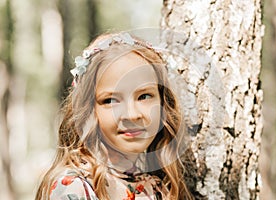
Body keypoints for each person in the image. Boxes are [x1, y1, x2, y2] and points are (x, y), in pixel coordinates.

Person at [35, 32, 193, 200]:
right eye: (110, 100)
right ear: (89, 110)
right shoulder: (74, 187)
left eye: (144, 96)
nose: (131, 115)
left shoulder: (157, 187)